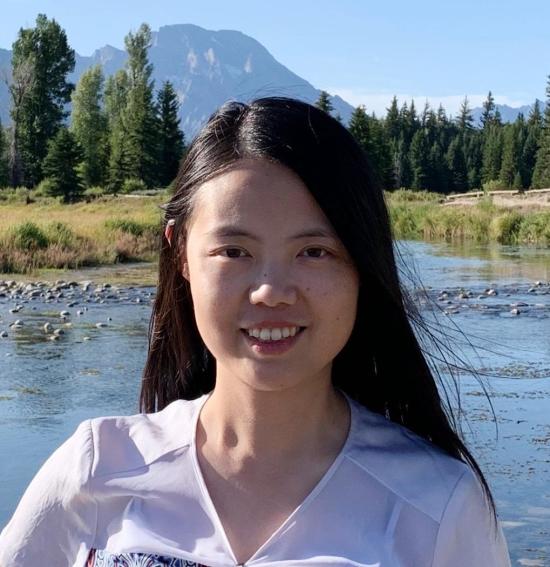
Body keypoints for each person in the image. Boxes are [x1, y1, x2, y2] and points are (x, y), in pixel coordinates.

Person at [0, 97, 511, 566]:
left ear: (363, 262)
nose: (271, 291)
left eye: (315, 252)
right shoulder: (96, 468)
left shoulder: (439, 505)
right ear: (181, 253)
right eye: (234, 252)